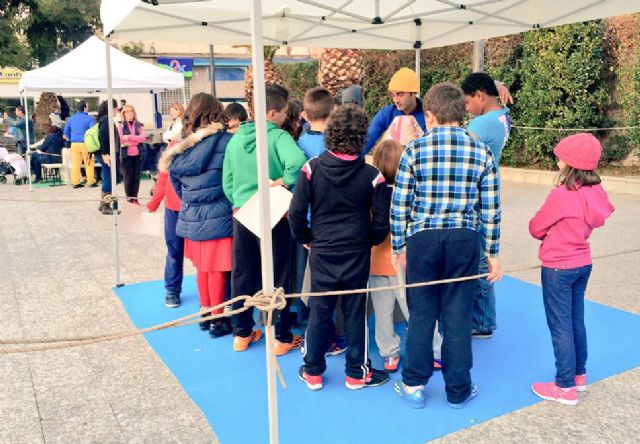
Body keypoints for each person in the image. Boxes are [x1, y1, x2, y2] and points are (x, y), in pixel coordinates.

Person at [391, 83, 503, 409]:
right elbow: (491, 208)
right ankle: (458, 388)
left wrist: (399, 244)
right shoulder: (480, 150)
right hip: (464, 239)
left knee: (422, 315)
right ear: (461, 111)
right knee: (458, 315)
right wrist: (492, 253)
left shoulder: (414, 150)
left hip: (422, 240)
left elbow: (400, 205)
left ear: (430, 115)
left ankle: (413, 384)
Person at [289, 104, 390, 391]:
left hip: (322, 250)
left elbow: (296, 213)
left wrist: (307, 238)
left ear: (330, 134)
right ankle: (357, 373)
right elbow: (382, 223)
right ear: (362, 137)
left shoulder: (312, 169)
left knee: (320, 310)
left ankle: (313, 371)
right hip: (357, 252)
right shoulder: (373, 176)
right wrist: (368, 240)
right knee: (356, 312)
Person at [529, 134, 614, 406]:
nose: (557, 160)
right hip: (582, 263)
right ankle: (578, 376)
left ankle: (563, 385)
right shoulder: (595, 193)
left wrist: (550, 232)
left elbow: (535, 227)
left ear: (570, 163)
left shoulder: (562, 195)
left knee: (560, 324)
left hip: (558, 267)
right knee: (576, 319)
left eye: (560, 157)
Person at [222, 84, 307, 354]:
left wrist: (239, 201)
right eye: (283, 112)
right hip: (273, 213)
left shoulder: (235, 139)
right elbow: (298, 163)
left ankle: (242, 333)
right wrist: (283, 182)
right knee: (278, 273)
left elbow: (227, 181)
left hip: (243, 213)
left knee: (243, 273)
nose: (285, 116)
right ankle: (281, 338)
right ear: (273, 112)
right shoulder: (278, 137)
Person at [160, 93, 234, 337]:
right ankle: (218, 319)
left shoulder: (182, 145)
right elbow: (232, 179)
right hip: (220, 213)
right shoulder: (226, 141)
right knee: (217, 270)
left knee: (203, 268)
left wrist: (192, 200)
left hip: (192, 214)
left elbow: (176, 183)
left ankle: (205, 312)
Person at [461, 72, 512, 339]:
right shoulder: (502, 115)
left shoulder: (481, 125)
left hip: (477, 197)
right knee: (481, 258)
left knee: (481, 262)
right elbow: (495, 91)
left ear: (480, 95)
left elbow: (459, 148)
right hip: (488, 191)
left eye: (468, 102)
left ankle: (482, 321)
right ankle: (483, 318)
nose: (467, 109)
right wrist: (500, 84)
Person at [149, 105, 186, 310]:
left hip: (192, 207)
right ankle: (172, 289)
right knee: (174, 250)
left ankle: (207, 295)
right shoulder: (171, 150)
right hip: (174, 207)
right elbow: (163, 180)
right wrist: (153, 203)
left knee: (194, 254)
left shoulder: (196, 147)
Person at [96, 99, 121, 215]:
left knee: (108, 177)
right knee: (109, 178)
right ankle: (106, 205)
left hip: (107, 153)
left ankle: (103, 204)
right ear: (112, 108)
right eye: (116, 108)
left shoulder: (104, 119)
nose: (117, 111)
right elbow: (102, 136)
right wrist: (105, 153)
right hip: (107, 154)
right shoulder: (107, 120)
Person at [118, 104, 146, 203]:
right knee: (128, 178)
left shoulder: (139, 125)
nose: (130, 113)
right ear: (124, 114)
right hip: (126, 156)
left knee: (136, 178)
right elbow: (121, 139)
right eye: (127, 111)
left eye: (132, 111)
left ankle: (135, 198)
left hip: (138, 155)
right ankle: (129, 199)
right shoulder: (120, 125)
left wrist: (129, 137)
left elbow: (143, 138)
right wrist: (135, 140)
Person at [63, 101, 95, 188]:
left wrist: (71, 138)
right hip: (86, 144)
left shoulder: (71, 119)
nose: (88, 108)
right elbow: (93, 132)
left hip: (74, 144)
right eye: (87, 106)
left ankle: (75, 182)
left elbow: (65, 134)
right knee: (88, 162)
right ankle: (90, 181)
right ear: (84, 108)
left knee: (76, 163)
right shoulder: (90, 118)